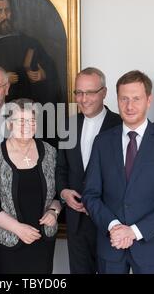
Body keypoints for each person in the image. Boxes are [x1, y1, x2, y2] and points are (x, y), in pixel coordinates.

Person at [82, 70, 154, 274]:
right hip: (110, 246)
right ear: (117, 100)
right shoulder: (102, 142)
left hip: (151, 249)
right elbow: (90, 195)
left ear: (148, 100)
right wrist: (113, 227)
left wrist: (134, 232)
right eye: (124, 99)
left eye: (136, 99)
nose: (129, 106)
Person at [56, 67, 121, 273]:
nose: (83, 99)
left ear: (104, 92)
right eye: (79, 93)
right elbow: (61, 168)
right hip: (77, 223)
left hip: (110, 220)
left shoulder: (121, 125)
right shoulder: (67, 125)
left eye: (90, 92)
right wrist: (64, 192)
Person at [0, 98, 61, 274]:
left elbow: (59, 194)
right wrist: (18, 228)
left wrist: (54, 212)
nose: (26, 126)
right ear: (9, 124)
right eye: (20, 121)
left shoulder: (50, 152)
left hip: (42, 242)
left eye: (31, 121)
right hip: (8, 243)